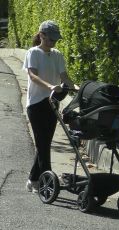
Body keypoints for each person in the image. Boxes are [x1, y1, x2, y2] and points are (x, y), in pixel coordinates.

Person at [23, 20, 77, 193]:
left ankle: (33, 179)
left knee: (44, 143)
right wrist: (51, 86)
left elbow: (64, 76)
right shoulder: (33, 52)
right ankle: (47, 181)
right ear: (41, 35)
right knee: (42, 143)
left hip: (52, 104)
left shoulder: (57, 55)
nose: (53, 43)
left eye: (55, 40)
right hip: (36, 104)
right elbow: (32, 75)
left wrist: (76, 88)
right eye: (50, 39)